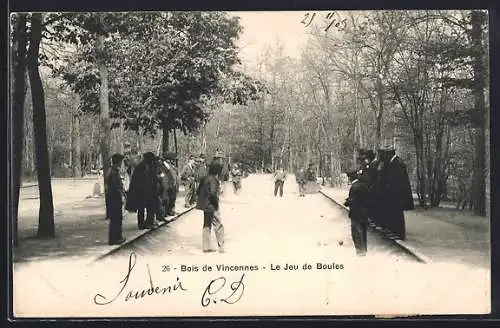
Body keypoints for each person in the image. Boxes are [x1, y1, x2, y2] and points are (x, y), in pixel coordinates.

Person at [378, 148, 414, 240]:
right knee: (394, 213)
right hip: (394, 193)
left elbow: (401, 180)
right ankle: (395, 232)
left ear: (390, 154)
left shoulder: (398, 163)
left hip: (398, 193)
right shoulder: (393, 162)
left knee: (398, 214)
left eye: (386, 154)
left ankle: (399, 234)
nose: (385, 156)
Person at [126, 152, 159, 230]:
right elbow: (136, 180)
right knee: (141, 208)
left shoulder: (151, 166)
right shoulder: (140, 167)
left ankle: (149, 223)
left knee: (150, 207)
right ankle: (141, 224)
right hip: (141, 192)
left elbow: (154, 178)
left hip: (150, 191)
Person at [196, 162, 225, 253]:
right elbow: (213, 193)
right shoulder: (214, 180)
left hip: (205, 205)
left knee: (206, 225)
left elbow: (198, 192)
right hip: (212, 205)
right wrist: (216, 201)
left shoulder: (204, 178)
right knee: (218, 225)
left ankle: (206, 247)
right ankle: (221, 246)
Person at [343, 170, 370, 256]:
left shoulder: (354, 187)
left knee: (356, 232)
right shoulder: (364, 185)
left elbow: (353, 200)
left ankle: (360, 251)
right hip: (365, 212)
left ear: (350, 178)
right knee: (363, 231)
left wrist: (347, 202)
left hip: (356, 212)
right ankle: (364, 249)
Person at [106, 154, 127, 245]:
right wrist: (121, 196)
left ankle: (116, 237)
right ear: (118, 162)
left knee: (117, 219)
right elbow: (116, 187)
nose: (121, 164)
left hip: (114, 199)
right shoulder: (113, 172)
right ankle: (115, 238)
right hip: (114, 199)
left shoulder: (113, 171)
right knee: (116, 219)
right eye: (121, 162)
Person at [162, 152, 179, 216]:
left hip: (173, 184)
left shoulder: (171, 166)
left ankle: (171, 211)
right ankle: (165, 212)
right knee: (167, 199)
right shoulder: (164, 166)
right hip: (168, 185)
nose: (174, 161)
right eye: (173, 159)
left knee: (172, 199)